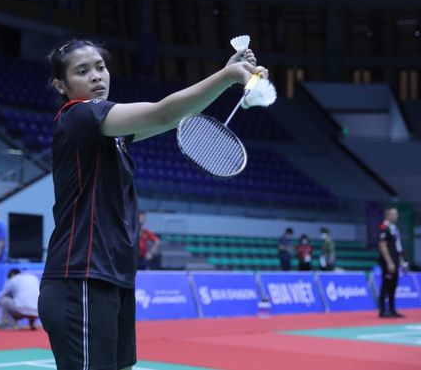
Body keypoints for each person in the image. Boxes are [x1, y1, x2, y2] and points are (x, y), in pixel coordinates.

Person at [37, 39, 263, 370]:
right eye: (82, 71)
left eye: (101, 67)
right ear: (61, 85)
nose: (97, 76)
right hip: (80, 278)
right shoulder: (78, 116)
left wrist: (224, 74)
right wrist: (227, 77)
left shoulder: (112, 135)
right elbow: (164, 111)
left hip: (112, 278)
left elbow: (169, 120)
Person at [378, 207, 405, 318]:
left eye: (396, 214)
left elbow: (398, 246)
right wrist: (389, 262)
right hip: (387, 262)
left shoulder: (394, 228)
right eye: (394, 214)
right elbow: (382, 246)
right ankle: (383, 310)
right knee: (386, 285)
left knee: (394, 285)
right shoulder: (384, 227)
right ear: (387, 215)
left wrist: (401, 260)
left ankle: (392, 309)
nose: (396, 216)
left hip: (396, 260)